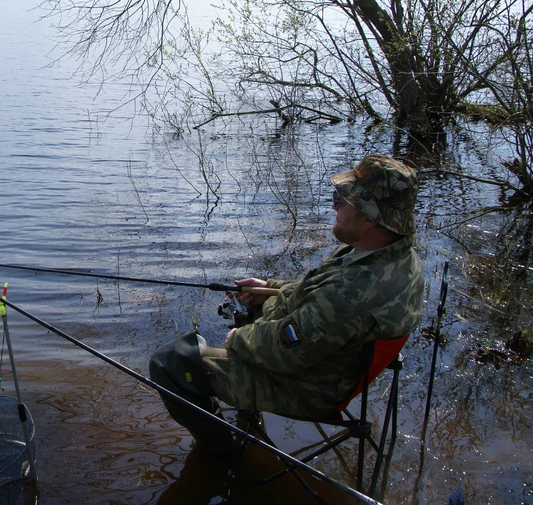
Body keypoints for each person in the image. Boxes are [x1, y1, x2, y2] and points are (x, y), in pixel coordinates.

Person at [149, 155, 426, 452]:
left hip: (307, 388)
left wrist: (238, 339)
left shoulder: (351, 294)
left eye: (341, 199)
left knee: (170, 365)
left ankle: (221, 454)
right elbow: (319, 294)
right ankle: (243, 417)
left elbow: (285, 351)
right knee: (252, 312)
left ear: (370, 216)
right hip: (331, 362)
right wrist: (269, 288)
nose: (334, 205)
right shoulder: (392, 256)